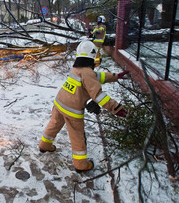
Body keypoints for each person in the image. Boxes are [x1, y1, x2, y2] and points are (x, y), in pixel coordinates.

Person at [38, 40, 129, 173]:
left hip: (59, 102)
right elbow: (99, 96)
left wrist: (115, 76)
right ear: (93, 56)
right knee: (77, 137)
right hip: (72, 109)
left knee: (54, 124)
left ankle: (44, 145)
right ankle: (81, 164)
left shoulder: (77, 68)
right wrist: (117, 108)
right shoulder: (87, 73)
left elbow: (97, 76)